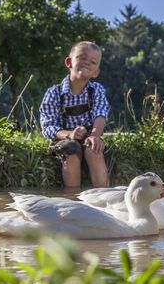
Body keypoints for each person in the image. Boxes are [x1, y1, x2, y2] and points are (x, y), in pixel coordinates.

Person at [39, 41, 110, 189]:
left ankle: (105, 197)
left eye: (93, 62)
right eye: (82, 58)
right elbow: (48, 126)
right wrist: (70, 134)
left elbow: (101, 114)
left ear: (96, 72)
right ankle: (73, 198)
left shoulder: (97, 90)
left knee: (94, 150)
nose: (87, 63)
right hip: (64, 139)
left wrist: (95, 135)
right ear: (69, 62)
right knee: (71, 150)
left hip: (90, 136)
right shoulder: (54, 93)